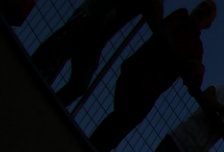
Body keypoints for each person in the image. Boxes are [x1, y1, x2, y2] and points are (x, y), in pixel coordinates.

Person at [87, 1, 214, 152]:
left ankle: (93, 151)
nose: (202, 11)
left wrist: (197, 70)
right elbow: (166, 30)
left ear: (208, 24)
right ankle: (92, 150)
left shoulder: (196, 47)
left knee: (121, 122)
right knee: (121, 120)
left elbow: (195, 80)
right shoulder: (181, 18)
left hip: (149, 89)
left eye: (207, 12)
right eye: (202, 6)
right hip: (138, 74)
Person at [34, 0, 163, 107]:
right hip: (88, 21)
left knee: (79, 84)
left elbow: (156, 17)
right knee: (53, 60)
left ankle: (45, 106)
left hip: (96, 34)